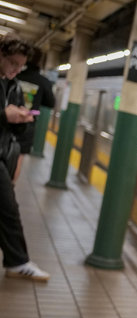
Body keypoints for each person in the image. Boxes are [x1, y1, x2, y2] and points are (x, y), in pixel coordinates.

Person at [0, 35, 50, 282]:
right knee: (8, 208)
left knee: (7, 207)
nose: (16, 69)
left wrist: (21, 120)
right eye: (12, 63)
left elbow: (13, 128)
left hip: (1, 154)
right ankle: (18, 261)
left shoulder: (15, 86)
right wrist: (3, 116)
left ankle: (17, 261)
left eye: (20, 65)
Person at [16, 46, 56, 168]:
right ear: (41, 62)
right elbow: (51, 103)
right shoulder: (43, 82)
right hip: (27, 124)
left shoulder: (17, 76)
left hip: (8, 119)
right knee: (19, 156)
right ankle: (10, 185)